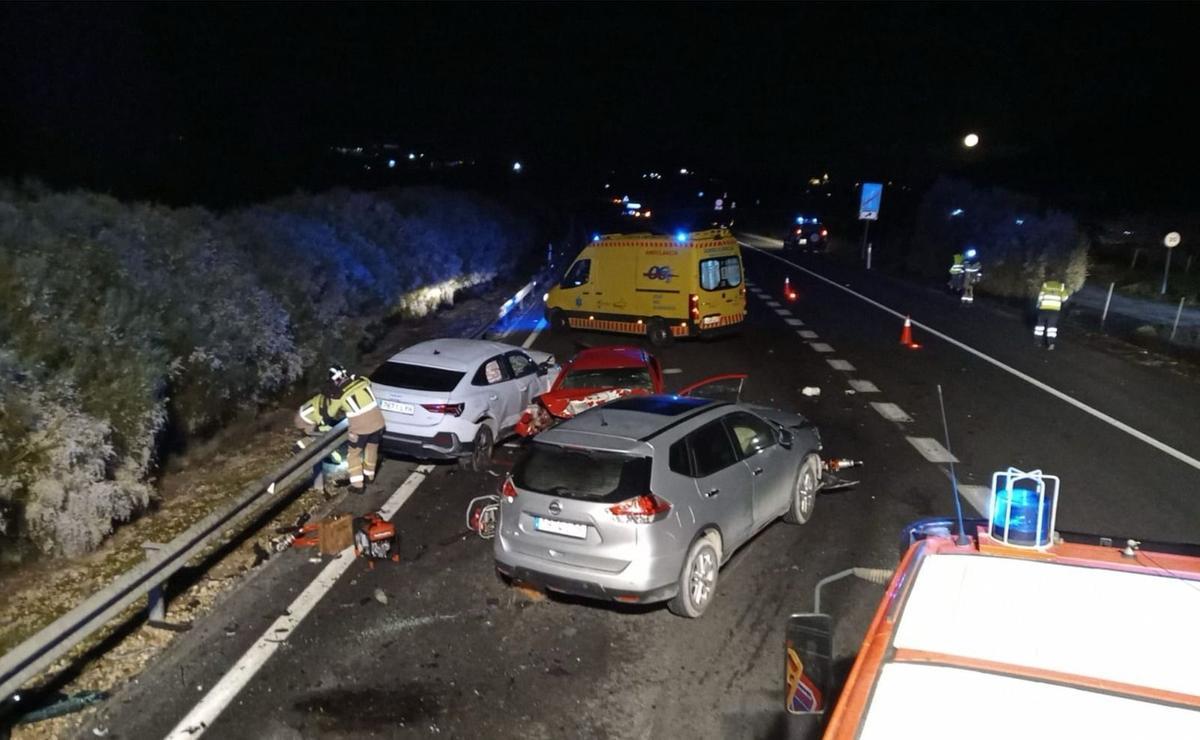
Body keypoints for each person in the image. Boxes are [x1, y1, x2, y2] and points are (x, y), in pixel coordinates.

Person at [324, 365, 386, 493]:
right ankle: (369, 476)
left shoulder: (339, 395)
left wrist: (331, 395)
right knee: (371, 448)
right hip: (378, 424)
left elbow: (330, 413)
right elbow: (366, 380)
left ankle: (358, 485)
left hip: (360, 429)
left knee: (353, 455)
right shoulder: (363, 382)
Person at [1034, 280, 1070, 349]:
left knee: (1040, 326)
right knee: (1051, 327)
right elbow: (1065, 298)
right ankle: (1051, 343)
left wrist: (1038, 306)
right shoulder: (1061, 286)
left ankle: (1038, 342)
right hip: (1054, 311)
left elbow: (1040, 297)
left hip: (1044, 309)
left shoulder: (1045, 285)